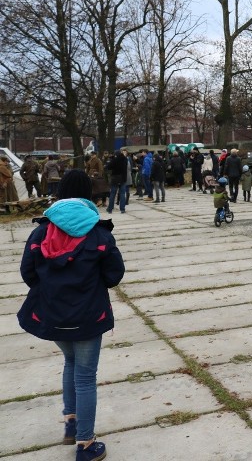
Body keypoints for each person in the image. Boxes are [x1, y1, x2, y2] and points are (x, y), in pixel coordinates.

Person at [17, 170, 125, 461]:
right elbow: (114, 274)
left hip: (52, 315)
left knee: (70, 363)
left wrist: (52, 290)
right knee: (86, 377)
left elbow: (28, 273)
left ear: (60, 193)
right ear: (88, 195)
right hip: (89, 316)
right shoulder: (99, 231)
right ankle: (86, 444)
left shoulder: (40, 231)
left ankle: (72, 423)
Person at [106, 150, 128, 214]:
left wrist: (112, 159)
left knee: (113, 194)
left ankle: (110, 209)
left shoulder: (114, 160)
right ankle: (122, 209)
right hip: (123, 178)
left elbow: (108, 167)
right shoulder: (125, 159)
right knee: (122, 194)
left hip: (115, 178)